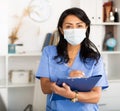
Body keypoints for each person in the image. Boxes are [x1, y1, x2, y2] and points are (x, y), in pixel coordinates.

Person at [36, 7, 108, 111]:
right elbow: (45, 88)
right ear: (61, 30)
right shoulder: (49, 52)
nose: (74, 30)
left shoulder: (94, 58)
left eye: (79, 26)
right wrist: (68, 79)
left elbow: (96, 96)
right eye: (69, 26)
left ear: (86, 27)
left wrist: (71, 94)